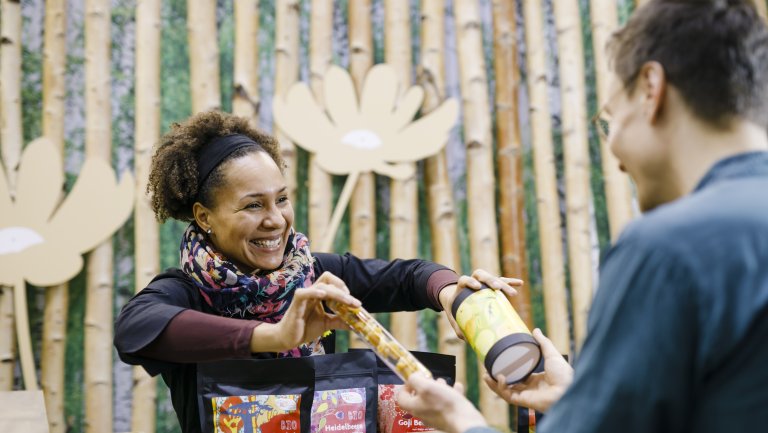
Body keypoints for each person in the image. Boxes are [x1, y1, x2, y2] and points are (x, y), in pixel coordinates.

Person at [397, 1, 768, 432]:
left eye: (609, 119)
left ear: (651, 88)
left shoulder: (667, 249)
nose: (613, 153)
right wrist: (583, 398)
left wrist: (460, 419)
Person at [113, 110, 520, 433]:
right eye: (253, 205)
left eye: (282, 199)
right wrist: (272, 336)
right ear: (204, 216)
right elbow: (134, 330)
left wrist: (450, 291)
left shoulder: (314, 272)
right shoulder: (184, 291)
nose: (276, 220)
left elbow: (408, 276)